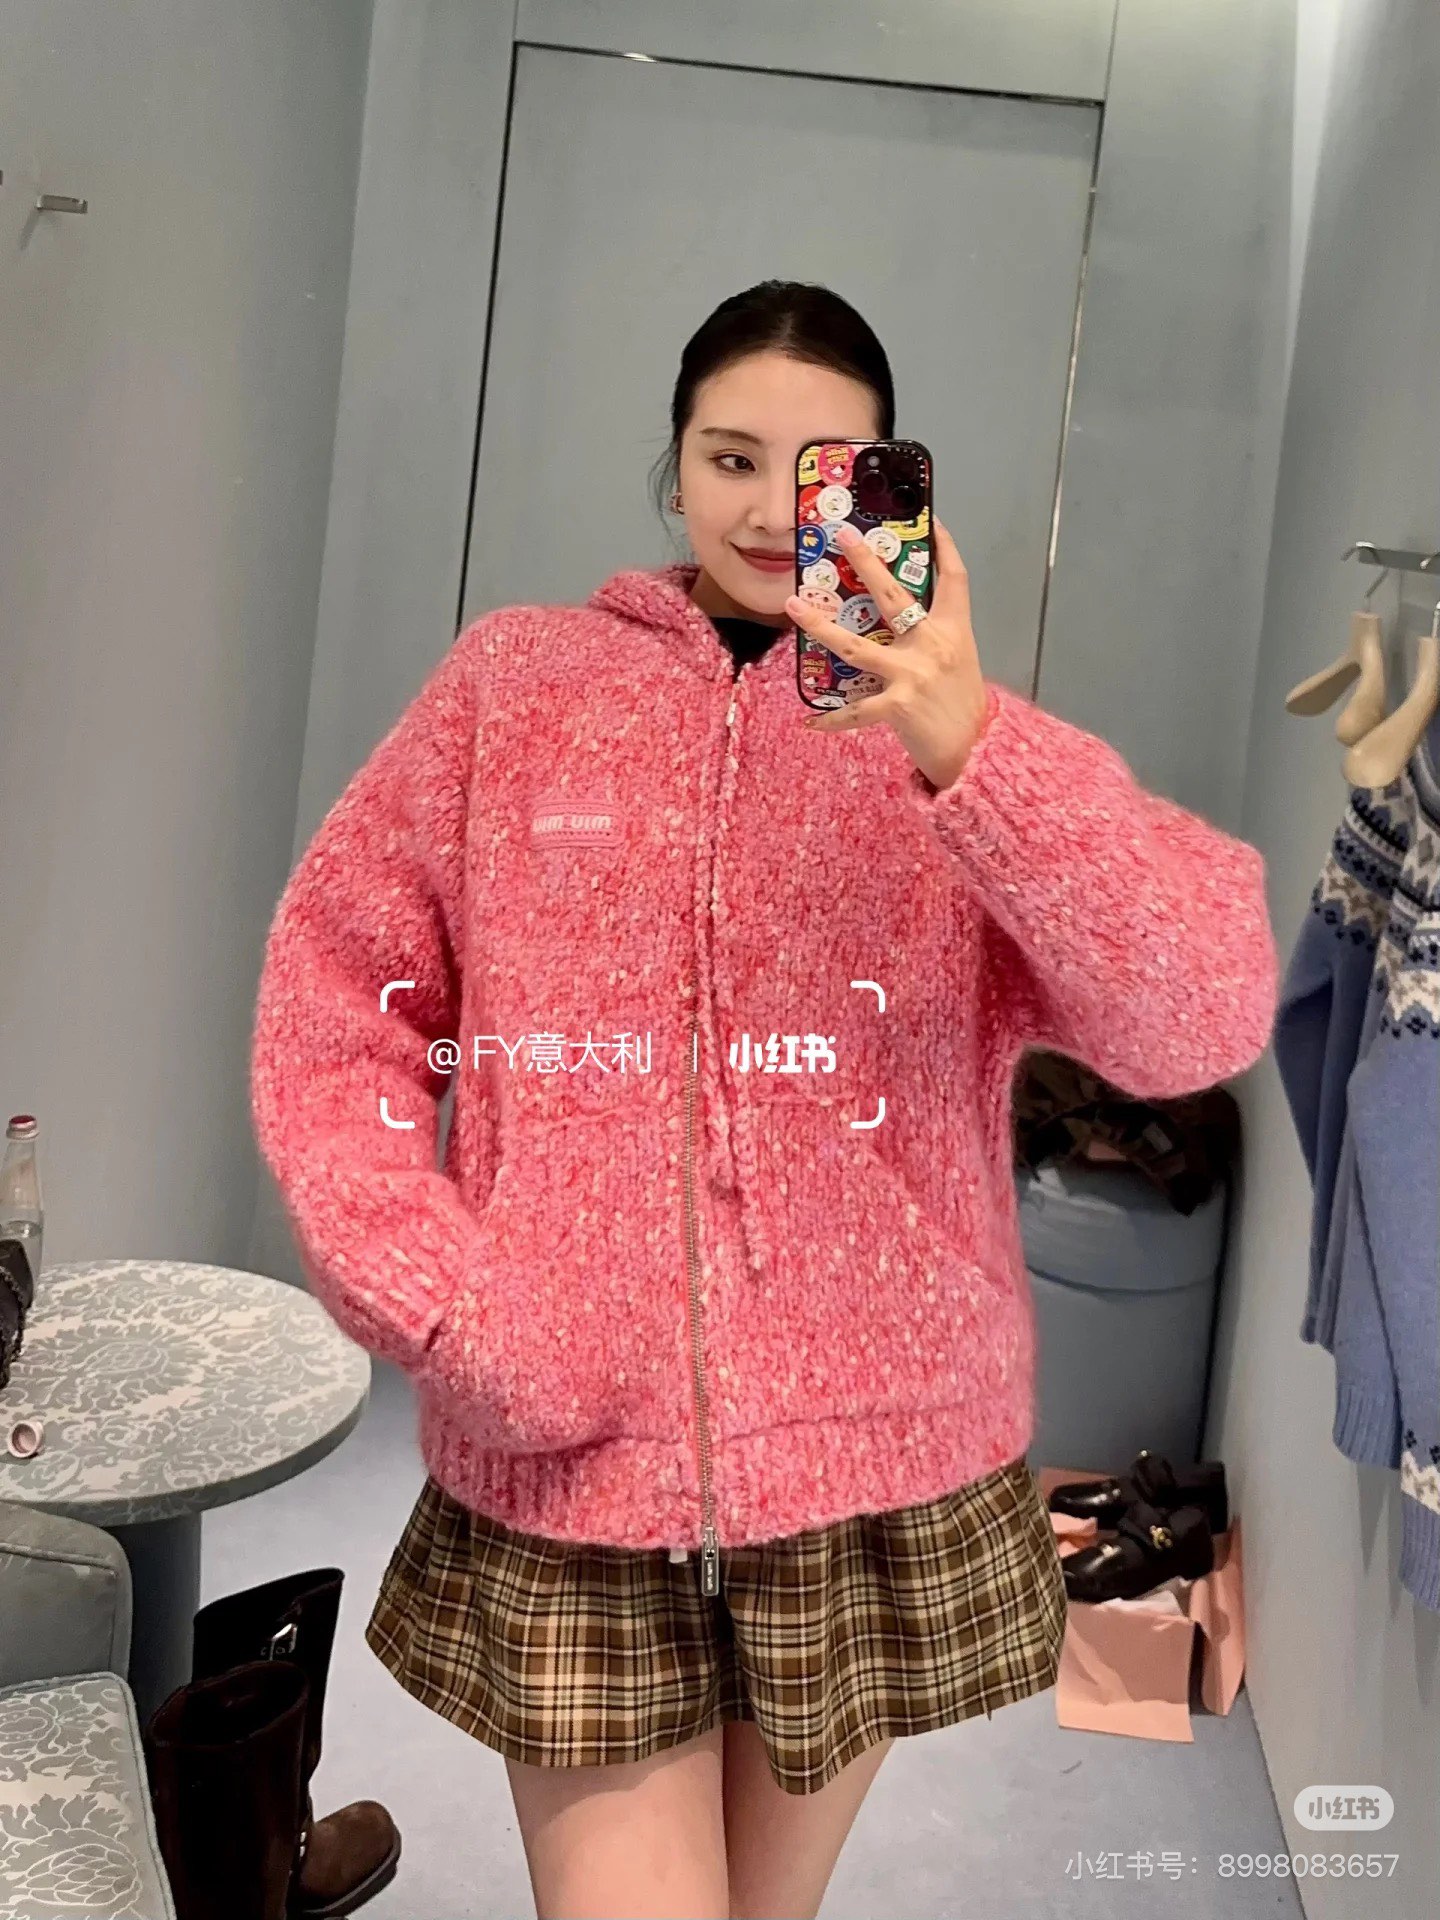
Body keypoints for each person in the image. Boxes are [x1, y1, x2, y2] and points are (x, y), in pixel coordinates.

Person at [249, 280, 1279, 1920]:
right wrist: (437, 1287)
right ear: (673, 463)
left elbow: (1194, 1015)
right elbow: (340, 996)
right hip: (576, 1442)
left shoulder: (948, 749)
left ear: (888, 490)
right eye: (730, 457)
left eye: (822, 473)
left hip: (872, 1473)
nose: (764, 509)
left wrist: (973, 749)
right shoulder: (516, 686)